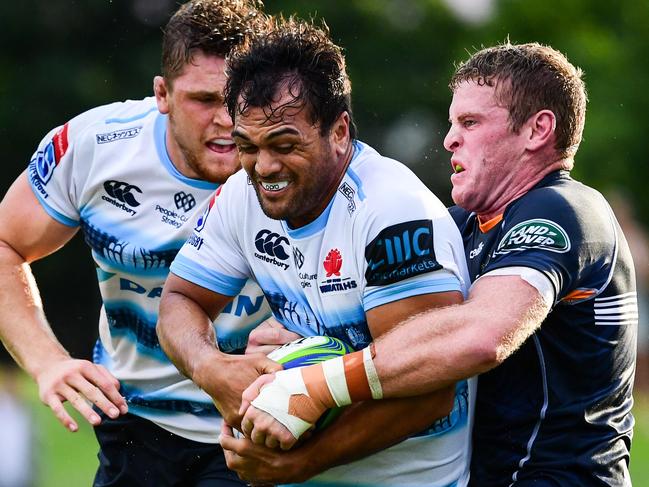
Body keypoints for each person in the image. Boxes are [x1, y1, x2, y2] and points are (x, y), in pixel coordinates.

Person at [241, 42, 638, 486]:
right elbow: (406, 334)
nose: (449, 139)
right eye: (452, 124)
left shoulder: (565, 208)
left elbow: (481, 335)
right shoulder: (463, 225)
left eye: (470, 122)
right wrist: (303, 341)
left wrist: (316, 385)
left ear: (537, 130)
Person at [157, 16, 475, 486]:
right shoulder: (243, 195)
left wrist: (300, 462)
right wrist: (212, 368)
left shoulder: (391, 213)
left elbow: (430, 392)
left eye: (285, 144)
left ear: (340, 131)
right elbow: (180, 300)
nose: (264, 166)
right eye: (248, 146)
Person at [0, 1, 286, 485]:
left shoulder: (300, 165)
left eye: (238, 99)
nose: (225, 120)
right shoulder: (93, 147)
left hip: (256, 423)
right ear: (162, 94)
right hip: (133, 423)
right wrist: (46, 361)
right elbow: (5, 243)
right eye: (203, 99)